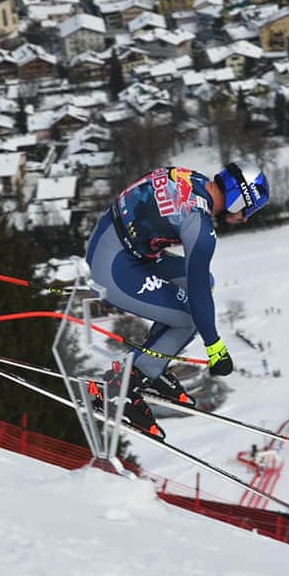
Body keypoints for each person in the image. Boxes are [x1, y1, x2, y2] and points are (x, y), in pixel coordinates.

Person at [85, 162, 271, 438]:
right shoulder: (200, 224)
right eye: (248, 210)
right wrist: (215, 347)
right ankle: (115, 391)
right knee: (188, 318)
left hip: (119, 245)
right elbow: (197, 297)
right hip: (113, 264)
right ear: (237, 199)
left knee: (202, 283)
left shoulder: (194, 178)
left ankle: (150, 368)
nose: (245, 218)